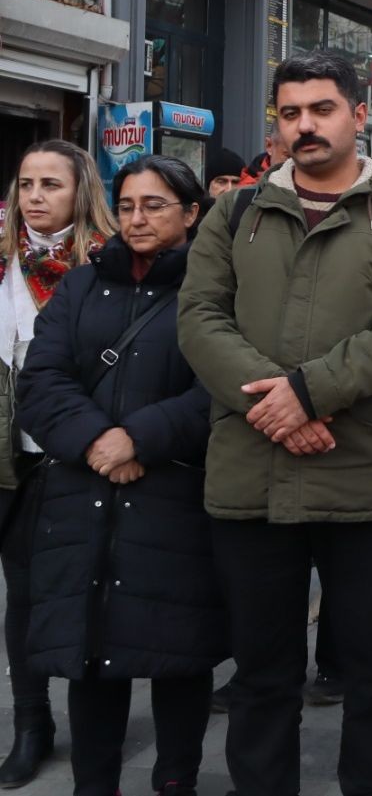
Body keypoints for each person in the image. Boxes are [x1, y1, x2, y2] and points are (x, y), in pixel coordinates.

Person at [177, 50, 372, 796]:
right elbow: (198, 319)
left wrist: (308, 392)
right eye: (290, 112)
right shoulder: (234, 212)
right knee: (261, 675)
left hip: (365, 487)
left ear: (360, 115)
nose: (305, 126)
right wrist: (280, 407)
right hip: (252, 485)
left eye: (321, 109)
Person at [16, 154, 222, 796]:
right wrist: (100, 438)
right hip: (83, 494)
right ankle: (92, 783)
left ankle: (176, 778)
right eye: (128, 204)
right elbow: (41, 379)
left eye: (155, 205)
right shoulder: (79, 287)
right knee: (92, 653)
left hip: (174, 496)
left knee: (179, 652)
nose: (137, 218)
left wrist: (140, 437)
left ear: (190, 213)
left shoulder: (215, 289)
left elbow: (220, 389)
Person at [0, 140, 114, 785]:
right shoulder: (1, 261)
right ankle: (30, 724)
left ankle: (93, 729)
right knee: (23, 595)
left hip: (79, 453)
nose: (35, 197)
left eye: (51, 185)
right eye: (26, 184)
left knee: (85, 591)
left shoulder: (104, 263)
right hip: (11, 457)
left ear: (81, 192)